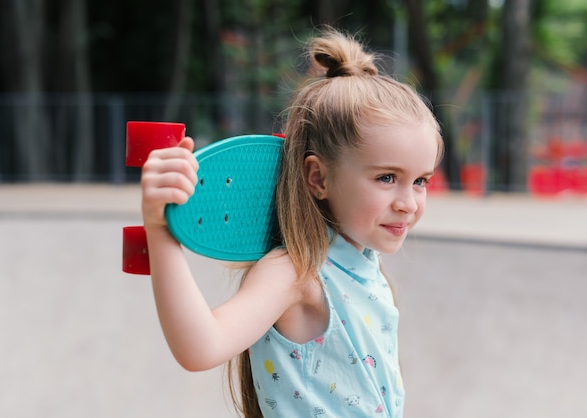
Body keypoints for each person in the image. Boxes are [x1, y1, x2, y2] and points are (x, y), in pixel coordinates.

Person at [140, 27, 444, 418]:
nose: (408, 203)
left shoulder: (365, 264)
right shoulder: (297, 272)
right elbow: (201, 346)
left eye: (420, 181)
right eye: (387, 178)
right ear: (317, 178)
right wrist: (161, 231)